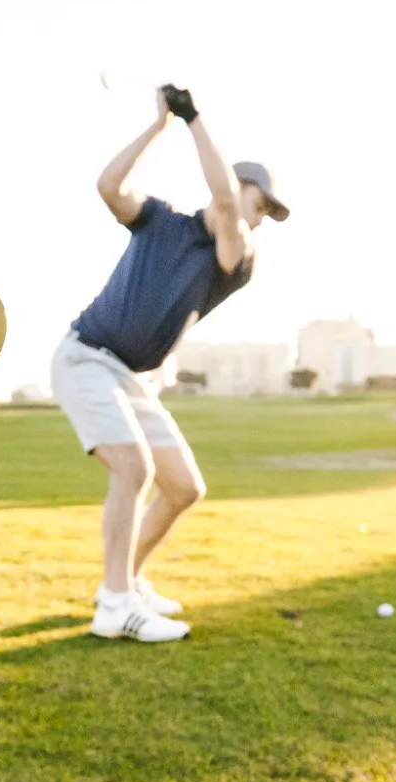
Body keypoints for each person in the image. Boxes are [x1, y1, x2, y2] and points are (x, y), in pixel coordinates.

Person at [51, 85, 289, 642]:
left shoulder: (237, 257)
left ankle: (124, 583)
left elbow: (225, 205)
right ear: (238, 185)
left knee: (183, 486)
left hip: (133, 379)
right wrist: (161, 125)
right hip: (86, 358)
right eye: (259, 206)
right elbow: (109, 187)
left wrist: (192, 117)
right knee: (134, 468)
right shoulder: (159, 219)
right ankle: (115, 607)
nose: (257, 220)